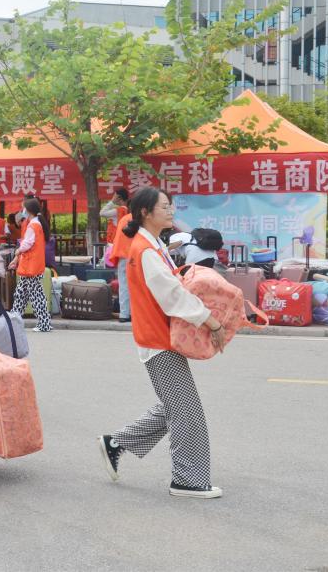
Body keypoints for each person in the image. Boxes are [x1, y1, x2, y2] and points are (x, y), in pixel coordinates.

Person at [97, 187, 226, 499]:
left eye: (170, 206)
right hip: (157, 339)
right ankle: (187, 480)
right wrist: (211, 321)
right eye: (165, 207)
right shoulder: (145, 249)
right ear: (146, 212)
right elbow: (173, 296)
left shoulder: (152, 244)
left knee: (175, 405)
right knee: (186, 411)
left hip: (159, 337)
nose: (171, 211)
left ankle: (117, 443)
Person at [9, 198, 51, 333]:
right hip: (33, 265)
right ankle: (13, 321)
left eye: (23, 208)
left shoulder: (32, 225)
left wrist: (18, 251)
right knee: (21, 294)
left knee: (34, 295)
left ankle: (43, 324)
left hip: (30, 266)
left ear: (28, 211)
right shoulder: (37, 223)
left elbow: (27, 243)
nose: (22, 211)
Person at [109, 211, 135, 323]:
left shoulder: (124, 219)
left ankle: (124, 313)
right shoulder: (143, 218)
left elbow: (117, 239)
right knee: (138, 286)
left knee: (124, 285)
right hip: (137, 255)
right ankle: (134, 313)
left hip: (123, 255)